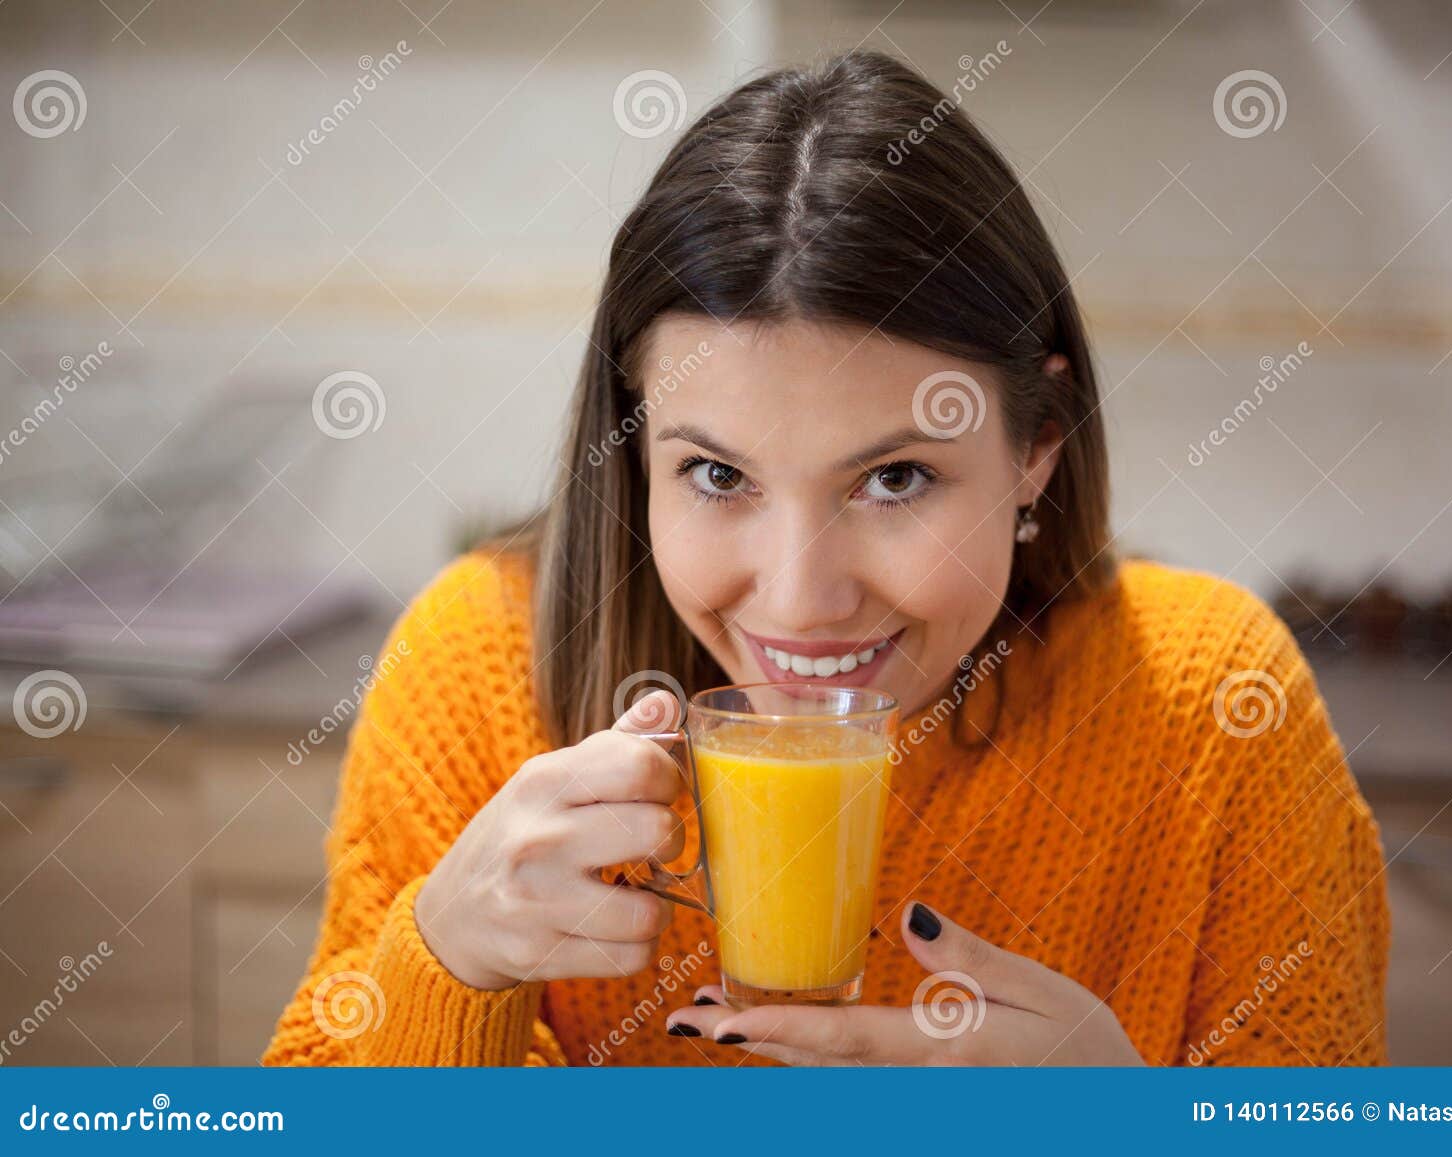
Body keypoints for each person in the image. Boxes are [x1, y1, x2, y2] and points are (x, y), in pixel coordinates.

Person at [262, 49, 1388, 1067]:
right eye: (716, 474)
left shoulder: (1215, 708)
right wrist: (445, 964)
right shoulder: (476, 669)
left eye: (894, 479)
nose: (800, 601)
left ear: (1037, 445)